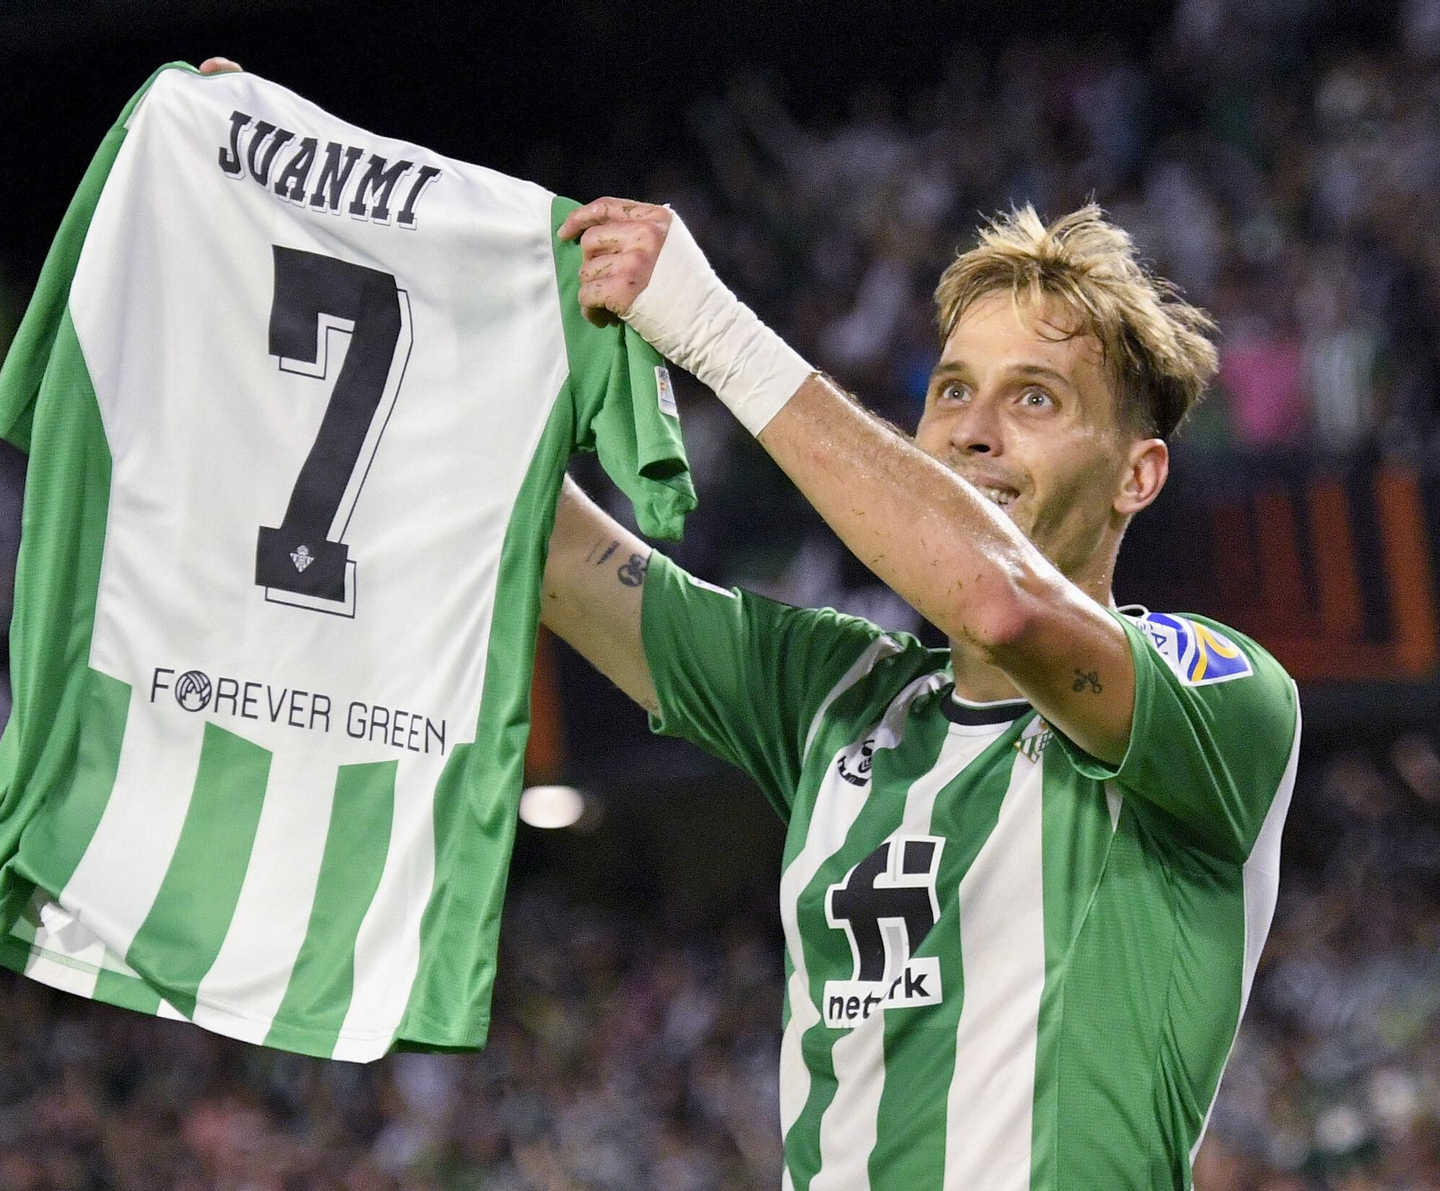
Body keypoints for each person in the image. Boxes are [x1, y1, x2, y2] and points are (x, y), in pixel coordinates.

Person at [197, 59, 1298, 1189]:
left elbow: (1000, 600)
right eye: (951, 388)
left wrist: (711, 328)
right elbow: (550, 548)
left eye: (1034, 398)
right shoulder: (837, 703)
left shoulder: (1219, 694)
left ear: (1138, 475)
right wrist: (320, 237)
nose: (973, 431)